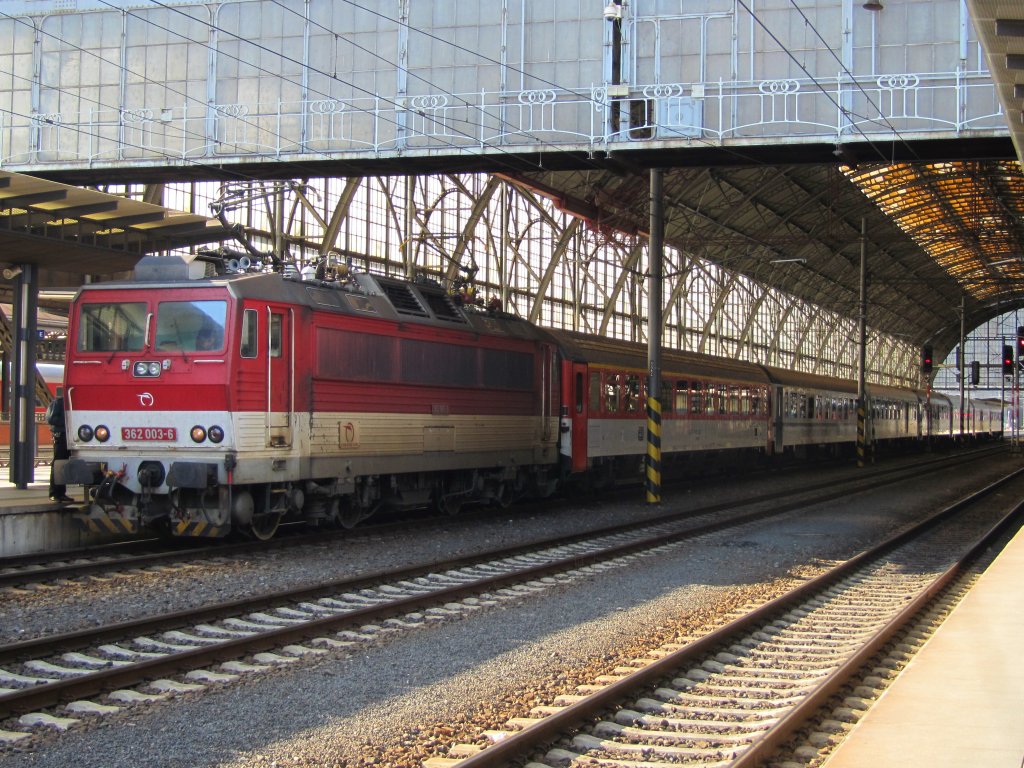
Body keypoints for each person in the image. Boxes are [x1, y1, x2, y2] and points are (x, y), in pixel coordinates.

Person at [46, 396, 72, 503]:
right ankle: (55, 493)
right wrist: (67, 420)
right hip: (61, 435)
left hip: (69, 435)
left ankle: (61, 493)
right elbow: (51, 419)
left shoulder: (68, 402)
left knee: (63, 464)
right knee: (58, 463)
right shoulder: (59, 402)